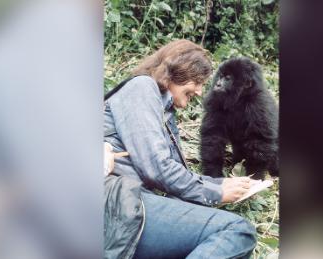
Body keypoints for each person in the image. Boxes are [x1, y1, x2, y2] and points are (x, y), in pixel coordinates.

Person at [104, 39, 258, 259]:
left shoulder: (164, 110)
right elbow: (156, 167)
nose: (200, 91)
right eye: (198, 80)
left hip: (132, 205)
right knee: (237, 231)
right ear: (179, 70)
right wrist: (215, 193)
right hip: (115, 202)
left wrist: (221, 184)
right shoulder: (141, 87)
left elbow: (175, 172)